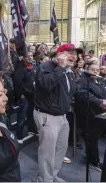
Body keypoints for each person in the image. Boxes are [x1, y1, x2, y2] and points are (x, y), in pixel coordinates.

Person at [34, 43, 82, 182]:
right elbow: (46, 85)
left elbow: (71, 91)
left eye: (75, 55)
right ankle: (44, 180)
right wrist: (60, 67)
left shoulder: (68, 71)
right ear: (59, 54)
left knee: (61, 148)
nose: (74, 57)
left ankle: (52, 176)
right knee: (47, 152)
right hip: (47, 116)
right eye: (70, 54)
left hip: (62, 116)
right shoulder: (46, 67)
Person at [75, 63, 106, 171]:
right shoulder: (82, 81)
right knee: (92, 138)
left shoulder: (101, 81)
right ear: (86, 69)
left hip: (101, 113)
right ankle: (94, 161)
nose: (95, 72)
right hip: (90, 114)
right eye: (92, 69)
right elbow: (83, 95)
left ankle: (90, 155)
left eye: (97, 70)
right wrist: (101, 101)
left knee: (95, 137)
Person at [14, 51, 38, 139]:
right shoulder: (20, 68)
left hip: (33, 95)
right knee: (22, 115)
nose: (30, 57)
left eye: (32, 55)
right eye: (28, 56)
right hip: (24, 96)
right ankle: (19, 135)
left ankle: (31, 130)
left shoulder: (35, 67)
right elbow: (17, 83)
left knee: (31, 114)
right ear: (24, 58)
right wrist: (20, 95)